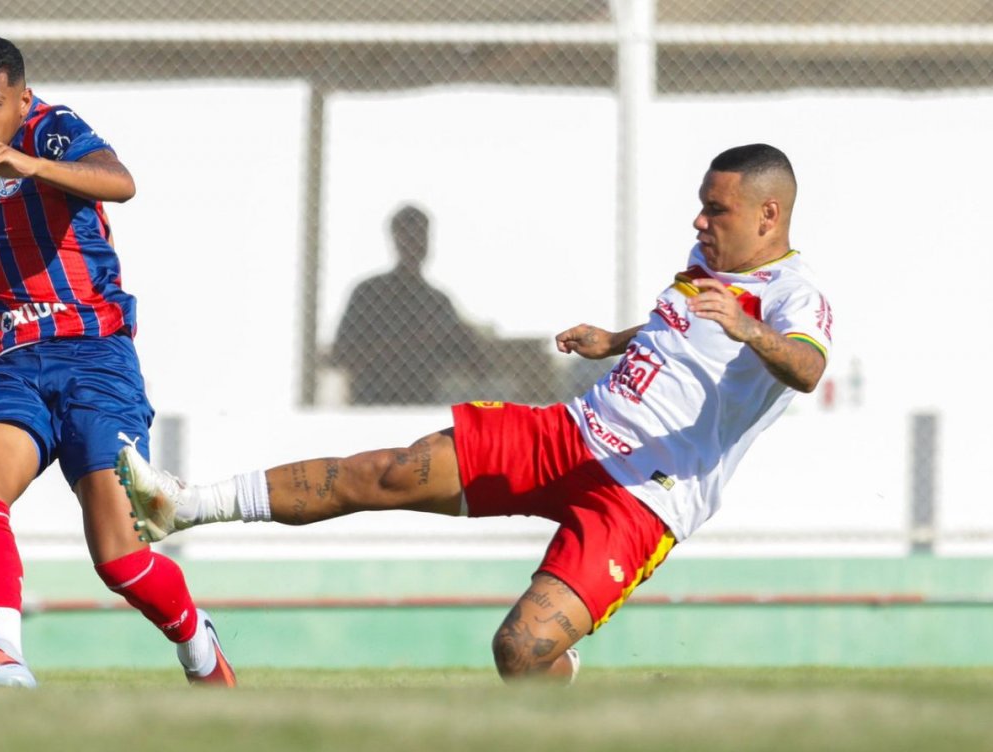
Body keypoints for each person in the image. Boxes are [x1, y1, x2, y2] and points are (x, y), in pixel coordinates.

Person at [117, 144, 830, 682]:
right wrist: (613, 340)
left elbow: (806, 367)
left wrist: (752, 332)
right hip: (572, 432)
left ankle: (562, 688)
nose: (700, 220)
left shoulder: (794, 295)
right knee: (390, 472)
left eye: (718, 209)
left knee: (519, 653)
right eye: (701, 206)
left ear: (769, 215)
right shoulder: (703, 261)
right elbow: (683, 335)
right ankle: (185, 505)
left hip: (644, 495)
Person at [0, 35, 234, 689]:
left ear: (21, 99)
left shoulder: (52, 129)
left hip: (95, 356)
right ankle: (2, 649)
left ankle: (199, 642)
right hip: (13, 357)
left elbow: (120, 181)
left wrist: (31, 165)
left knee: (119, 559)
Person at [330, 204, 487, 405]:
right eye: (408, 236)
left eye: (420, 236)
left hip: (422, 403)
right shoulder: (369, 293)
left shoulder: (437, 301)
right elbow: (341, 354)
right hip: (372, 401)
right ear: (395, 240)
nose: (415, 244)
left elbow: (473, 361)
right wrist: (408, 344)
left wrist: (468, 337)